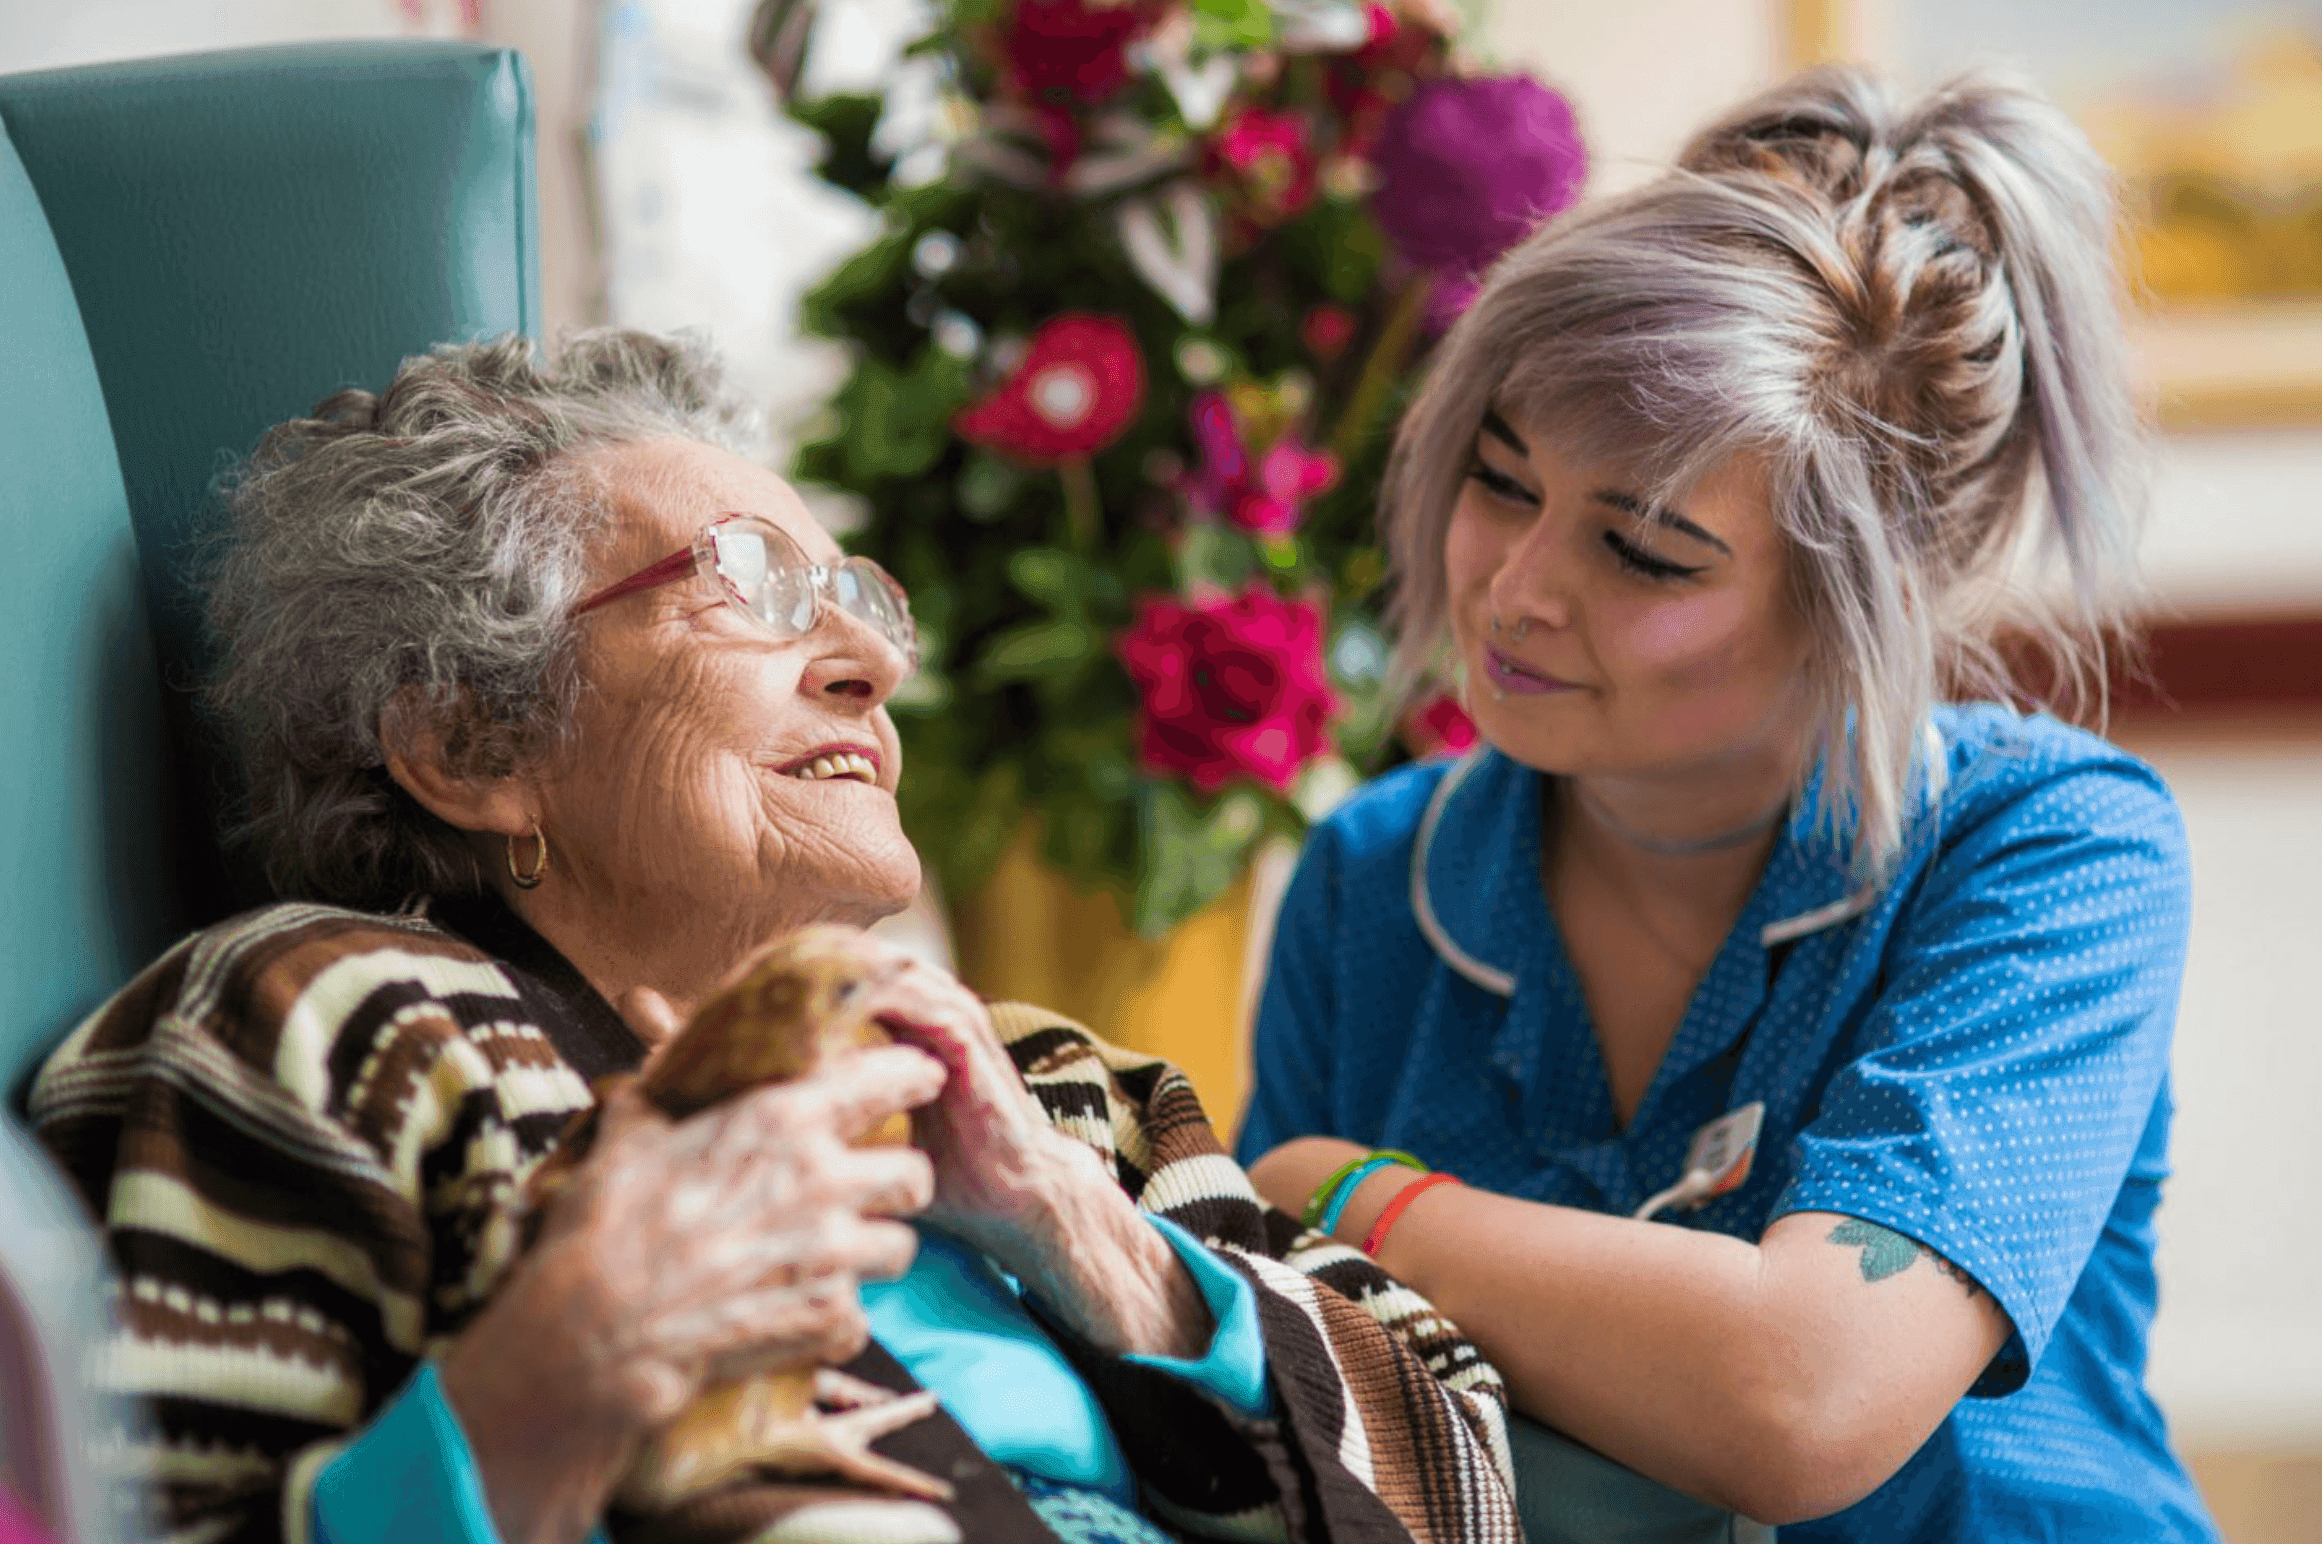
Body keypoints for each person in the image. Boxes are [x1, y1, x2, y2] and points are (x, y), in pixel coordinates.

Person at [28, 331, 1520, 1544]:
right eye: (748, 586)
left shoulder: (1054, 1087)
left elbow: (1468, 1480)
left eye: (859, 600)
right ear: (472, 739)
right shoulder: (336, 1022)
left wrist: (1084, 1236)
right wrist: (559, 1374)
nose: (872, 661)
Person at [1236, 65, 2218, 1544]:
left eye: (1642, 551)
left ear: (1863, 600)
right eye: (1502, 483)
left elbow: (1803, 1401)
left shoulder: (2055, 854)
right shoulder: (1369, 878)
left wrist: (1347, 1193)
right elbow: (1276, 1408)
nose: (1516, 590)